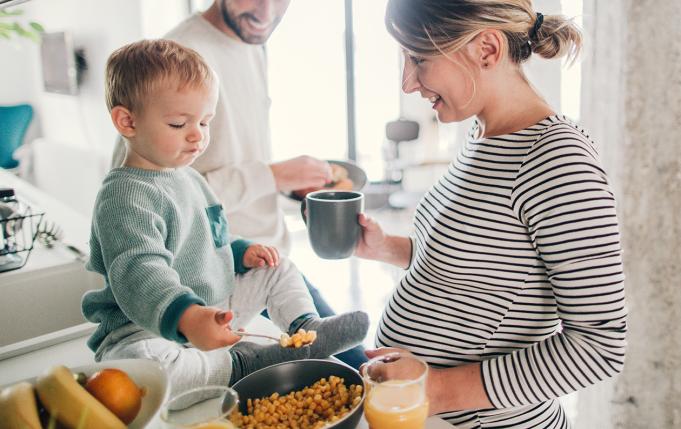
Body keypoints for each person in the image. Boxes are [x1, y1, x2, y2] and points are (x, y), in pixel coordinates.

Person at [355, 1, 627, 428]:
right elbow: (479, 270)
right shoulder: (482, 135)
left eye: (419, 59)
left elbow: (600, 345)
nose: (408, 83)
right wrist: (386, 247)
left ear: (486, 49)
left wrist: (434, 390)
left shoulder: (560, 161)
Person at [83, 39, 369, 399]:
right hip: (146, 328)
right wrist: (186, 318)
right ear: (127, 121)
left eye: (205, 122)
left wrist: (240, 253)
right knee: (145, 366)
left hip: (212, 310)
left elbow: (210, 239)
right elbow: (140, 272)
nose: (197, 136)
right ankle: (243, 365)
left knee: (278, 267)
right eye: (177, 123)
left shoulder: (189, 177)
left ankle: (304, 329)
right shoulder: (124, 197)